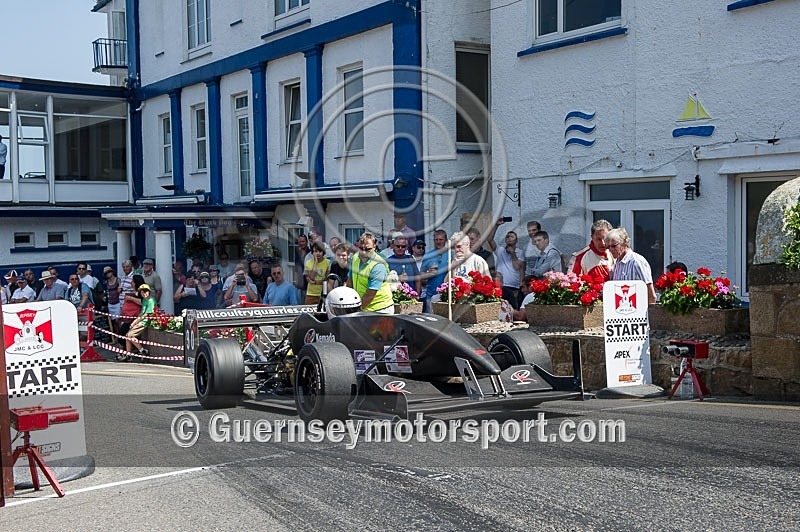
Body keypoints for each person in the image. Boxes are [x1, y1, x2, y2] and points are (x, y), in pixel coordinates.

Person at [605, 227, 657, 304]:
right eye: (608, 247)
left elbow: (651, 294)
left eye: (613, 246)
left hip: (638, 313)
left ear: (624, 243)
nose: (610, 250)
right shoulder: (617, 264)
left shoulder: (637, 262)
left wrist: (648, 314)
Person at [347, 232, 394, 313]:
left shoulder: (378, 265)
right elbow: (350, 281)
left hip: (381, 309)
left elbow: (370, 295)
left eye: (368, 249)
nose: (364, 252)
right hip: (363, 307)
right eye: (361, 248)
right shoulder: (355, 258)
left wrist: (356, 311)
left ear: (374, 247)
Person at [486, 219, 525, 308]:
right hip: (501, 285)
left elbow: (517, 266)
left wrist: (513, 254)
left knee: (513, 308)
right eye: (507, 237)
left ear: (516, 240)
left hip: (514, 286)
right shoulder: (500, 251)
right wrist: (496, 225)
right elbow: (489, 239)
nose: (509, 238)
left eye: (512, 236)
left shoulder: (520, 252)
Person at [123, 284, 156, 361]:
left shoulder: (151, 300)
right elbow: (142, 312)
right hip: (140, 319)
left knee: (130, 335)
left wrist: (135, 322)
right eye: (142, 292)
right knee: (127, 335)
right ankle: (129, 355)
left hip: (145, 321)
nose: (144, 294)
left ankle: (143, 351)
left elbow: (146, 314)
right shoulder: (144, 300)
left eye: (145, 291)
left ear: (149, 292)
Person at [421, 229, 448, 312]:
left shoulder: (451, 254)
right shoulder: (428, 255)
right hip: (431, 294)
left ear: (446, 240)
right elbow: (421, 275)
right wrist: (428, 274)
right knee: (431, 321)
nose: (438, 242)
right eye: (436, 240)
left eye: (441, 239)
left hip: (447, 295)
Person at [304, 241, 330, 305]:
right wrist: (315, 263)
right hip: (310, 294)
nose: (318, 253)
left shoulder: (327, 262)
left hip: (322, 293)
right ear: (312, 252)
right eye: (315, 251)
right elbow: (311, 278)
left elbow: (327, 280)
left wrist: (316, 282)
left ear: (323, 252)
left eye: (320, 251)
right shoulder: (308, 262)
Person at [294, 234, 310, 301]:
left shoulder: (310, 254)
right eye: (300, 242)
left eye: (303, 241)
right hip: (299, 287)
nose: (302, 243)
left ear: (307, 242)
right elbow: (296, 268)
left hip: (308, 287)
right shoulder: (297, 253)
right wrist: (295, 282)